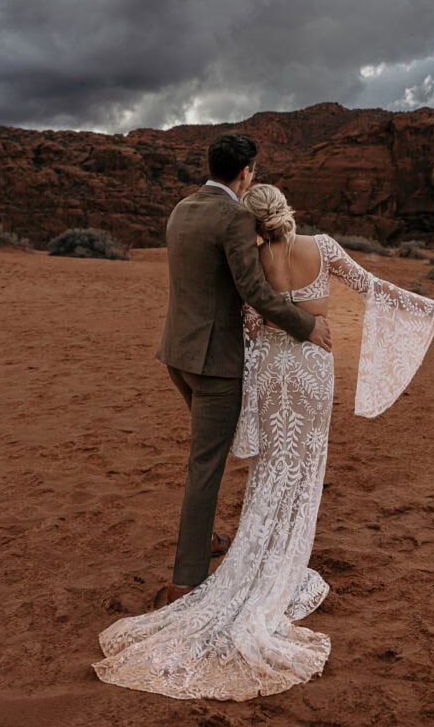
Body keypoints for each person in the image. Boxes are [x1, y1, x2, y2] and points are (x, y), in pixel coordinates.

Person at [93, 184, 434, 700]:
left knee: (271, 464)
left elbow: (248, 317)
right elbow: (372, 287)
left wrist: (260, 322)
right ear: (288, 211)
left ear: (254, 224)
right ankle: (283, 559)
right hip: (311, 369)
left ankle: (259, 552)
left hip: (270, 372)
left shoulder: (253, 258)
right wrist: (430, 307)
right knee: (305, 463)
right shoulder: (324, 246)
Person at [150, 135, 330, 603]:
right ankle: (184, 581)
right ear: (247, 171)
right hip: (215, 364)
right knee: (206, 466)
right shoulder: (235, 217)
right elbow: (253, 289)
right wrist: (305, 326)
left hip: (177, 355)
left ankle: (204, 539)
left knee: (206, 456)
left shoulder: (182, 209)